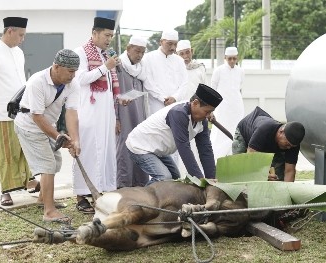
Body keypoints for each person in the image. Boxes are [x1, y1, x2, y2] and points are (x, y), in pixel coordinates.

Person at [14, 49, 81, 223]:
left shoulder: (72, 84)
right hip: (29, 126)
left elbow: (72, 113)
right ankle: (49, 212)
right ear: (57, 67)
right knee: (47, 165)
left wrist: (75, 140)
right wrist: (59, 136)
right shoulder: (37, 81)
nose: (73, 76)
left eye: (75, 72)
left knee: (56, 162)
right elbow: (37, 117)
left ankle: (43, 198)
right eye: (70, 71)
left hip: (47, 125)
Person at [126, 83, 223, 185]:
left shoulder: (202, 120)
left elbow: (205, 149)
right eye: (207, 111)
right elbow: (184, 148)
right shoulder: (178, 113)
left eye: (211, 112)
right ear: (195, 103)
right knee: (164, 178)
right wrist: (199, 179)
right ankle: (142, 200)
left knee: (175, 178)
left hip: (157, 149)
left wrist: (210, 179)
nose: (209, 115)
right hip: (140, 146)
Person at [0, 16, 39, 206]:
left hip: (23, 110)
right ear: (9, 31)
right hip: (2, 112)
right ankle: (5, 191)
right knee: (6, 152)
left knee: (26, 147)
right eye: (20, 35)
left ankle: (31, 181)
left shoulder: (18, 52)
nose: (22, 39)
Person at [72, 17, 119, 213]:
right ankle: (81, 196)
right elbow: (81, 79)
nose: (109, 39)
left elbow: (108, 86)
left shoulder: (105, 54)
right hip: (88, 112)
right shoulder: (80, 52)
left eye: (111, 36)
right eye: (106, 35)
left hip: (105, 113)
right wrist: (104, 67)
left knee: (106, 151)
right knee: (88, 151)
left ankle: (101, 193)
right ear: (94, 33)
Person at [232, 106, 305, 182]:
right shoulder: (264, 130)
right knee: (240, 169)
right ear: (281, 132)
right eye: (287, 144)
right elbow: (250, 158)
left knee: (277, 176)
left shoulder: (292, 144)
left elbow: (289, 171)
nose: (289, 148)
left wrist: (288, 191)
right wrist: (262, 175)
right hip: (245, 133)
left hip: (267, 143)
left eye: (291, 146)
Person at [115, 35, 149, 188]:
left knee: (140, 145)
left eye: (143, 52)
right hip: (123, 113)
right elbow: (113, 92)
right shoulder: (118, 65)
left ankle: (140, 183)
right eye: (137, 51)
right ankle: (123, 184)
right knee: (124, 146)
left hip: (139, 113)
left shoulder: (142, 69)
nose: (140, 55)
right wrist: (116, 117)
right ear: (128, 49)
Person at [176, 39, 206, 175]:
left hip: (198, 111)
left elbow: (204, 88)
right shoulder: (175, 68)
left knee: (196, 143)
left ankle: (195, 174)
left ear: (192, 51)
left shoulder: (199, 67)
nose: (185, 56)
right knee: (181, 143)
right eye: (181, 54)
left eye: (187, 52)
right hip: (180, 110)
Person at [210, 46, 245, 161]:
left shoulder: (240, 71)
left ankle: (234, 157)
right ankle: (216, 159)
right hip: (222, 107)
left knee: (236, 131)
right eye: (229, 59)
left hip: (236, 107)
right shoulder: (219, 70)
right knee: (220, 132)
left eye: (234, 59)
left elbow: (239, 88)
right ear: (225, 58)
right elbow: (213, 89)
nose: (232, 61)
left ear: (237, 58)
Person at [142, 29, 188, 115]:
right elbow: (148, 82)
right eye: (169, 43)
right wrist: (163, 98)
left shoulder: (179, 61)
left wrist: (175, 97)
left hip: (176, 104)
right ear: (161, 42)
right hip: (156, 105)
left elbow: (184, 83)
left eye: (175, 44)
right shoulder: (148, 58)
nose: (173, 48)